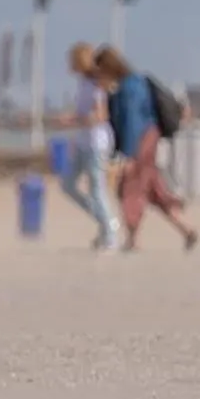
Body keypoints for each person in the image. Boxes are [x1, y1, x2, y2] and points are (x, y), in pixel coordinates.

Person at [95, 45, 198, 252]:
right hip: (148, 138)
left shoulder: (129, 87)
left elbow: (133, 121)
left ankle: (133, 239)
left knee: (130, 187)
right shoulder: (132, 84)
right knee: (153, 189)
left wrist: (130, 155)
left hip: (141, 141)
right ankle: (186, 229)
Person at [56, 42, 122, 250]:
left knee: (96, 189)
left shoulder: (97, 85)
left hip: (97, 143)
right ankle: (106, 221)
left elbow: (101, 115)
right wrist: (74, 120)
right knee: (67, 185)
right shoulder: (83, 83)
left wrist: (76, 120)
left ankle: (109, 232)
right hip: (83, 142)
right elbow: (84, 113)